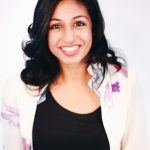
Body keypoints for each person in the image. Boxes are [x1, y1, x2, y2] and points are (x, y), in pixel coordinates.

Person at [0, 0, 148, 149]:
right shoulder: (16, 89)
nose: (69, 38)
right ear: (44, 31)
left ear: (93, 27)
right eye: (56, 26)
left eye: (78, 23)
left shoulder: (124, 81)